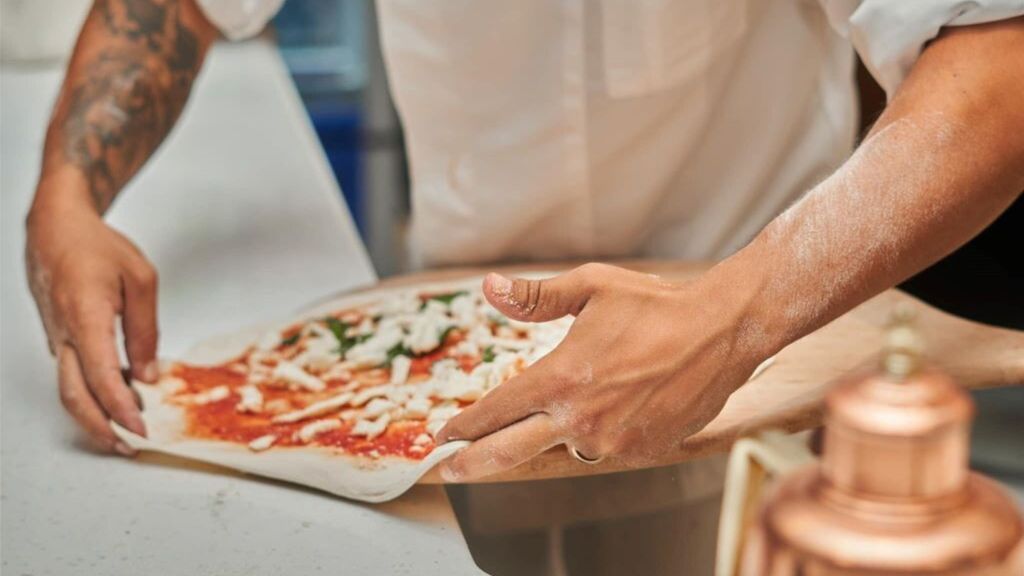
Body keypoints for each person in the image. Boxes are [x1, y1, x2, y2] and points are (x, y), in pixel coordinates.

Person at [25, 0, 1024, 482]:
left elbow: (998, 62)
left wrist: (732, 320)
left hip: (756, 355)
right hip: (455, 362)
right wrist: (67, 193)